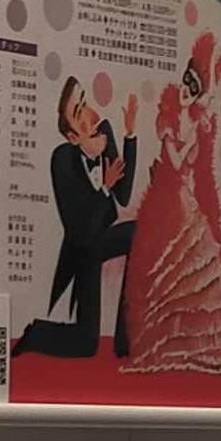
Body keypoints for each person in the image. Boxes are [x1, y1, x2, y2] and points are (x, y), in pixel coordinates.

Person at [124, 35, 221, 376]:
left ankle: (191, 342)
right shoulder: (169, 116)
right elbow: (176, 162)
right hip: (167, 199)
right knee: (167, 269)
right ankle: (162, 338)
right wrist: (191, 136)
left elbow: (194, 160)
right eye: (185, 82)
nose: (185, 90)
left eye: (193, 88)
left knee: (194, 267)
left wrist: (206, 115)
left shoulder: (196, 119)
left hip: (184, 199)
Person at [18, 78, 137, 360]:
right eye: (79, 111)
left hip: (102, 238)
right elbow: (79, 226)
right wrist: (104, 187)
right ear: (72, 137)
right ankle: (36, 333)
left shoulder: (104, 132)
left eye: (85, 102)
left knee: (141, 233)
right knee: (86, 344)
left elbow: (123, 196)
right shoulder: (62, 160)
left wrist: (130, 134)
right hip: (82, 246)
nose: (90, 114)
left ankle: (126, 338)